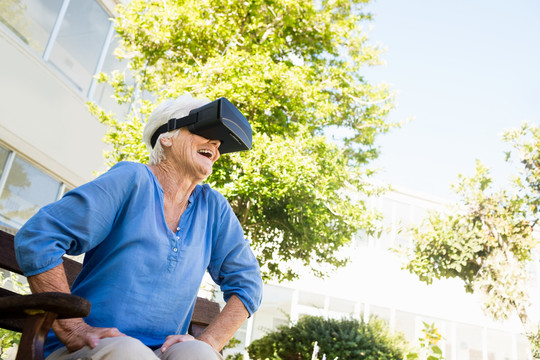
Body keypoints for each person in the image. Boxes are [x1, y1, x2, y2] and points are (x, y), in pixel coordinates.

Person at [14, 94, 263, 360]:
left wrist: (210, 341)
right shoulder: (131, 180)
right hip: (90, 348)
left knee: (198, 355)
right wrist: (73, 328)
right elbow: (39, 237)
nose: (215, 143)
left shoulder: (213, 208)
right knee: (130, 353)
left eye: (219, 141)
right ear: (166, 137)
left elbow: (248, 284)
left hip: (161, 352)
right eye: (205, 132)